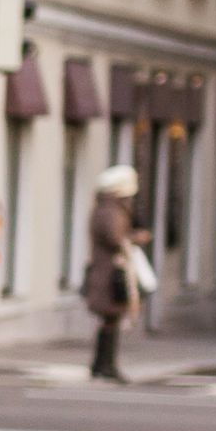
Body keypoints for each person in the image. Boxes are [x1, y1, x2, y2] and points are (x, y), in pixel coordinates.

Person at [84, 164, 146, 383]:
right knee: (110, 319)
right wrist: (134, 238)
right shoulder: (111, 210)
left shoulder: (106, 207)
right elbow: (115, 238)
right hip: (110, 273)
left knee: (111, 319)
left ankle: (103, 365)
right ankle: (105, 366)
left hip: (107, 270)